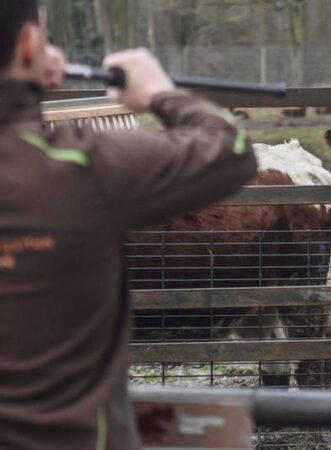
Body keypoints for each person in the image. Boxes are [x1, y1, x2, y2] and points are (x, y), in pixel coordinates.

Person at [0, 1, 257, 449]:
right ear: (27, 44)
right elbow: (230, 147)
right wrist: (158, 91)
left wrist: (24, 80)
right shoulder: (78, 165)